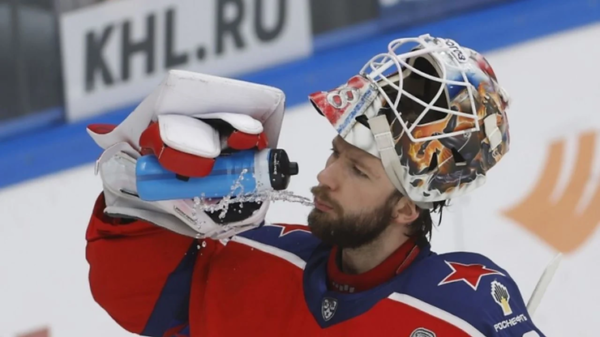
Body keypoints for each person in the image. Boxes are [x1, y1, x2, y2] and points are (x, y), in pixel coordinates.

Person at [85, 34, 545, 336]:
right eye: (336, 154)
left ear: (407, 208)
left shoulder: (461, 313)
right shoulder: (259, 257)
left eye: (358, 170)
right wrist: (135, 191)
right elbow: (134, 298)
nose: (326, 177)